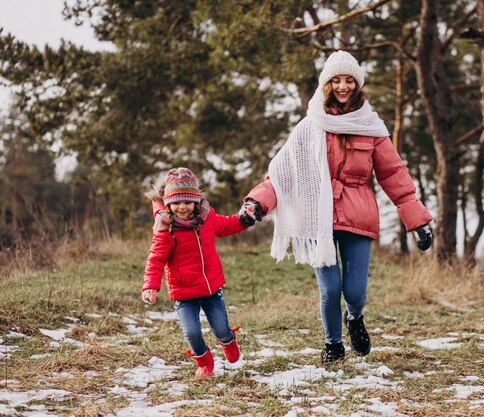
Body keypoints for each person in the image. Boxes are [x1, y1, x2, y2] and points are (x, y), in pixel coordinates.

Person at [239, 50, 433, 364]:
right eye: (336, 80)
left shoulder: (371, 127)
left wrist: (416, 220)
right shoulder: (309, 126)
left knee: (354, 292)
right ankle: (333, 344)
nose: (343, 86)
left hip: (358, 216)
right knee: (330, 290)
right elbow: (283, 173)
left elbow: (394, 173)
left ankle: (354, 317)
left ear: (357, 85)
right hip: (317, 219)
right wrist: (256, 204)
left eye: (349, 80)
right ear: (327, 84)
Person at [142, 167, 260, 377]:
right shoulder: (165, 229)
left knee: (221, 329)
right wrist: (151, 286)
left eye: (187, 202)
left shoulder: (207, 218)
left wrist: (244, 219)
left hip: (210, 289)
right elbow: (156, 258)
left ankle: (228, 341)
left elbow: (227, 225)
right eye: (176, 203)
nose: (182, 207)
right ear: (168, 203)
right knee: (192, 333)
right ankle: (204, 362)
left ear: (196, 201)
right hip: (183, 293)